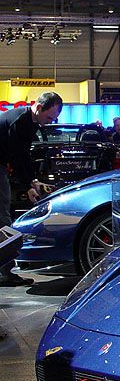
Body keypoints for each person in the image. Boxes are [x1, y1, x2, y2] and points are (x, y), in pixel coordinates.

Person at [0, 92, 63, 286]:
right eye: (49, 117)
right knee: (2, 217)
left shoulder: (31, 121)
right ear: (38, 107)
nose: (49, 122)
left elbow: (24, 155)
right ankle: (4, 272)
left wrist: (33, 180)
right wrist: (27, 186)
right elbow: (17, 158)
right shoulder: (19, 122)